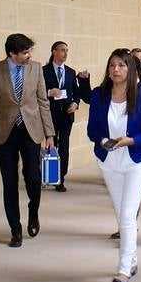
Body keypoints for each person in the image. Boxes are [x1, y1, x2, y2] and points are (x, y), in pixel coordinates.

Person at [77, 49, 141, 282]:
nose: (116, 70)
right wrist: (102, 140)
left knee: (127, 215)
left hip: (135, 160)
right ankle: (132, 260)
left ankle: (124, 270)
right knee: (120, 212)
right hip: (109, 161)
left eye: (121, 65)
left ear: (130, 69)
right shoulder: (99, 95)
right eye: (112, 65)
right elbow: (93, 129)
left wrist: (130, 140)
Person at [0, 33, 56, 247]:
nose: (29, 55)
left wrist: (49, 134)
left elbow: (43, 102)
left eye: (30, 51)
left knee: (33, 178)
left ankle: (33, 214)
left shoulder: (36, 68)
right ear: (12, 54)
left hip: (31, 131)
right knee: (9, 182)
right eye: (25, 52)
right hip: (5, 133)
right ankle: (15, 230)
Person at [42, 41, 80, 192]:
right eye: (62, 50)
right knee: (51, 145)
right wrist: (48, 92)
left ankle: (60, 179)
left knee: (64, 146)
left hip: (66, 115)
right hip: (49, 114)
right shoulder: (43, 71)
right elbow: (35, 91)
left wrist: (75, 104)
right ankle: (45, 174)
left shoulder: (70, 72)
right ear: (54, 52)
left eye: (67, 51)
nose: (65, 53)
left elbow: (76, 92)